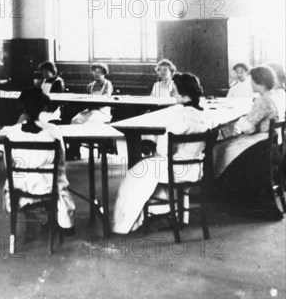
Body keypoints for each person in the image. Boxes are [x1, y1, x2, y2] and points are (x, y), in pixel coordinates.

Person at [112, 73, 212, 234]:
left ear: (181, 93)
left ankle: (125, 225)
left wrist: (155, 149)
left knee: (134, 174)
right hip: (195, 167)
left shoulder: (180, 117)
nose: (172, 94)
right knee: (150, 174)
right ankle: (165, 214)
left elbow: (164, 150)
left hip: (177, 170)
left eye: (174, 91)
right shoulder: (205, 114)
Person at [213, 65, 285, 219]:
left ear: (260, 82)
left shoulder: (263, 100)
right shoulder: (277, 96)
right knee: (227, 145)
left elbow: (248, 128)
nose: (250, 83)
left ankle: (223, 199)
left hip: (261, 145)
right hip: (274, 143)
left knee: (221, 148)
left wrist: (238, 123)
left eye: (253, 80)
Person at [4, 88, 76, 234]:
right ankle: (53, 221)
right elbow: (61, 160)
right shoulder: (53, 130)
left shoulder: (12, 132)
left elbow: (8, 164)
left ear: (23, 108)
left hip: (20, 186)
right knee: (59, 181)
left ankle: (35, 219)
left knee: (13, 179)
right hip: (48, 186)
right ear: (43, 108)